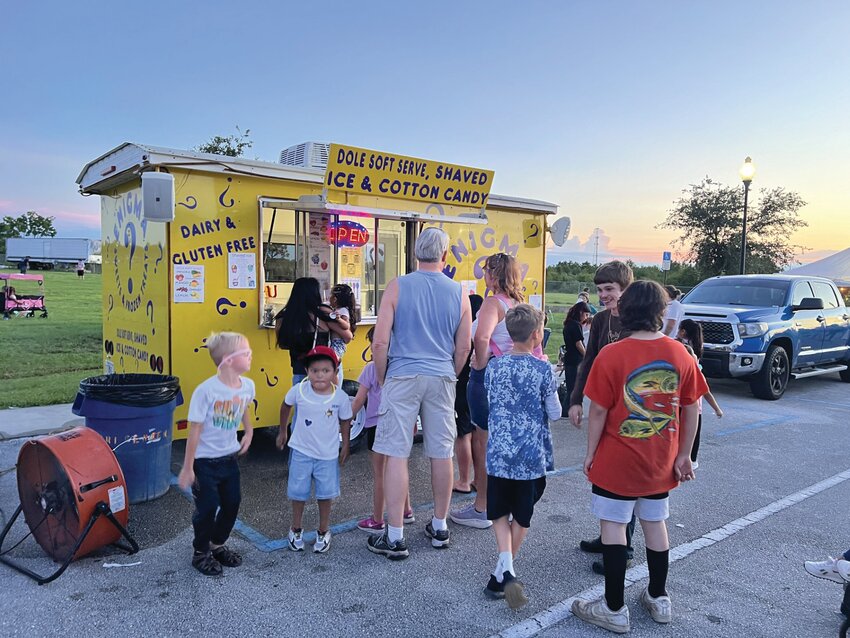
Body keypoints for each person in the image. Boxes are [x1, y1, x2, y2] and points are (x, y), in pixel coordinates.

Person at [571, 280, 707, 633]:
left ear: (625, 310)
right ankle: (659, 597)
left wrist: (590, 453)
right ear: (661, 312)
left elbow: (598, 412)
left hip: (618, 460)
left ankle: (614, 607)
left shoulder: (611, 354)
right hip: (660, 460)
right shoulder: (681, 353)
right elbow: (692, 408)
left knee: (614, 526)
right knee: (654, 523)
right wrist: (684, 455)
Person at [367, 227, 472, 560]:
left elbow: (380, 341)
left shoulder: (398, 286)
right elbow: (464, 346)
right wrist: (450, 374)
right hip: (441, 376)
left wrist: (382, 377)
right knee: (441, 451)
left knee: (396, 452)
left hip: (402, 374)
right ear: (445, 255)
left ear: (415, 254)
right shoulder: (459, 292)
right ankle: (440, 526)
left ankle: (395, 535)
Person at [482, 304, 561, 609]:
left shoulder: (494, 367)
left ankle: (503, 570)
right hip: (531, 457)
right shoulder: (543, 370)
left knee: (499, 511)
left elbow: (491, 402)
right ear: (537, 334)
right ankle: (506, 571)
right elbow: (554, 413)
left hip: (499, 452)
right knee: (523, 515)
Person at [569, 261, 637, 574]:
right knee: (603, 474)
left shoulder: (638, 321)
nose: (603, 295)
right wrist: (576, 399)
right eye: (599, 290)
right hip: (604, 407)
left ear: (626, 289)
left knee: (625, 481)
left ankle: (622, 547)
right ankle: (607, 535)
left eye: (609, 289)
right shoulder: (599, 321)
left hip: (632, 412)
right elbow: (590, 360)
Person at [452, 252, 526, 530]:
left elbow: (482, 336)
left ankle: (483, 506)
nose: (484, 275)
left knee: (482, 443)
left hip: (489, 377)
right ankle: (506, 503)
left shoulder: (493, 302)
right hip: (512, 379)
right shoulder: (518, 302)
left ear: (493, 274)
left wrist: (479, 363)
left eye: (486, 270)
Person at [177, 332, 255, 576]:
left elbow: (244, 408)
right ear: (228, 360)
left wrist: (249, 432)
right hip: (204, 463)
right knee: (207, 508)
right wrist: (188, 467)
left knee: (232, 503)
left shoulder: (248, 385)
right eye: (246, 353)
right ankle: (200, 552)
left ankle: (217, 544)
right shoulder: (206, 391)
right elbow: (195, 431)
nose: (251, 355)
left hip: (229, 459)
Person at [276, 346, 353, 553]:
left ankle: (323, 530)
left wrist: (345, 443)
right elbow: (285, 406)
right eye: (315, 370)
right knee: (298, 493)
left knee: (325, 494)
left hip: (327, 456)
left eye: (326, 370)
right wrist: (283, 431)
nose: (320, 375)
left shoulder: (340, 398)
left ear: (335, 373)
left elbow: (346, 420)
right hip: (301, 452)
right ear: (307, 372)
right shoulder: (299, 390)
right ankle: (296, 528)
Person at [353, 327, 415, 532]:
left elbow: (360, 398)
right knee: (399, 467)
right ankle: (406, 510)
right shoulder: (403, 368)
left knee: (381, 474)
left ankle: (378, 519)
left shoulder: (371, 369)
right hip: (401, 422)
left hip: (377, 424)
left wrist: (346, 418)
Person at [275, 277, 352, 386]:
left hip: (299, 371)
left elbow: (283, 344)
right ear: (315, 293)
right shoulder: (321, 314)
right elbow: (348, 337)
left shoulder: (283, 317)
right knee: (329, 401)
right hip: (324, 371)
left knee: (302, 401)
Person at [677, 319, 723, 468]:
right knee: (691, 433)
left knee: (689, 433)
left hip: (690, 407)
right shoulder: (694, 347)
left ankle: (691, 459)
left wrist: (717, 409)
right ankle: (690, 458)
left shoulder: (693, 371)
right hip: (689, 408)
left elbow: (707, 393)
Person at [453, 294, 484, 495]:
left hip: (462, 388)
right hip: (478, 389)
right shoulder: (483, 334)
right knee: (477, 436)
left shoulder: (464, 334)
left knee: (462, 435)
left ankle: (464, 480)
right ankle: (478, 479)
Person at [328, 283, 357, 385]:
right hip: (334, 342)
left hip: (338, 343)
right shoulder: (336, 310)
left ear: (335, 299)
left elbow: (346, 326)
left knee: (332, 360)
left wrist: (339, 320)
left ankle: (334, 377)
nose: (328, 298)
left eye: (330, 295)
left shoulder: (342, 311)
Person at [562, 301, 591, 399]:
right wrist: (586, 355)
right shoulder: (576, 325)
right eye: (586, 314)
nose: (586, 317)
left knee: (570, 387)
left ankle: (566, 410)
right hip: (576, 359)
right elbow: (578, 343)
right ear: (580, 312)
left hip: (569, 358)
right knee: (576, 388)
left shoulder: (568, 324)